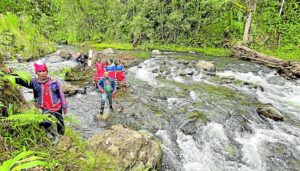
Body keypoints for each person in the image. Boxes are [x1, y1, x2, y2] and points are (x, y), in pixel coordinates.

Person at [6, 63, 68, 141]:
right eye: (40, 71)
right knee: (44, 122)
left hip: (56, 106)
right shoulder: (34, 82)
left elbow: (61, 94)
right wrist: (11, 73)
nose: (42, 73)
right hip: (44, 107)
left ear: (47, 72)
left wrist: (64, 106)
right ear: (37, 73)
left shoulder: (54, 82)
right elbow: (22, 80)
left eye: (44, 71)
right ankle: (54, 135)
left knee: (60, 122)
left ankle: (62, 135)